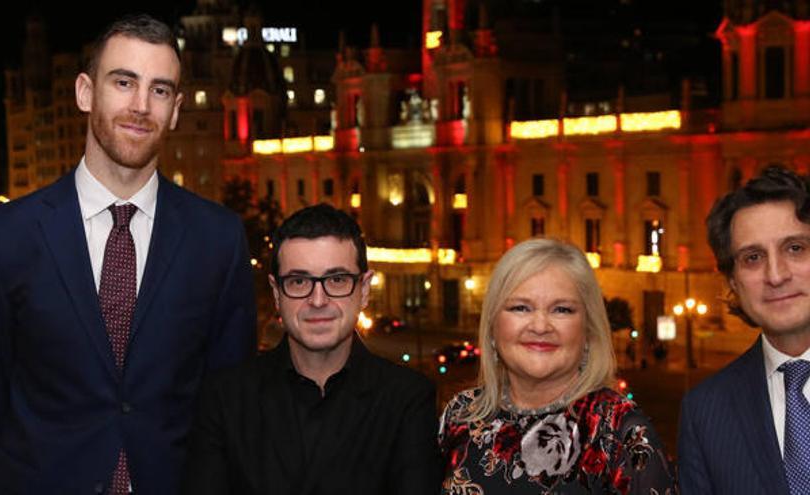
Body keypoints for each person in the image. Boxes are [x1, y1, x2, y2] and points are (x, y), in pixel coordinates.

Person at [0, 14, 256, 494]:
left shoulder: (218, 239)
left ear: (176, 109)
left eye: (159, 90)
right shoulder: (4, 237)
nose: (140, 106)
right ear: (84, 92)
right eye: (123, 82)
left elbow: (229, 399)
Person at [181, 204, 443, 494]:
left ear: (365, 289)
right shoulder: (224, 398)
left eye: (337, 280)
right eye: (299, 281)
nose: (318, 300)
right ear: (277, 293)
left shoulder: (408, 399)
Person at [439, 239, 676, 494]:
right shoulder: (460, 415)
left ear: (588, 330)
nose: (540, 326)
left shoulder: (621, 432)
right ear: (493, 327)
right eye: (521, 308)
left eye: (561, 310)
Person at [679, 166, 810, 494]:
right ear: (732, 282)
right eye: (752, 257)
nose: (776, 275)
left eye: (795, 248)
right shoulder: (704, 412)